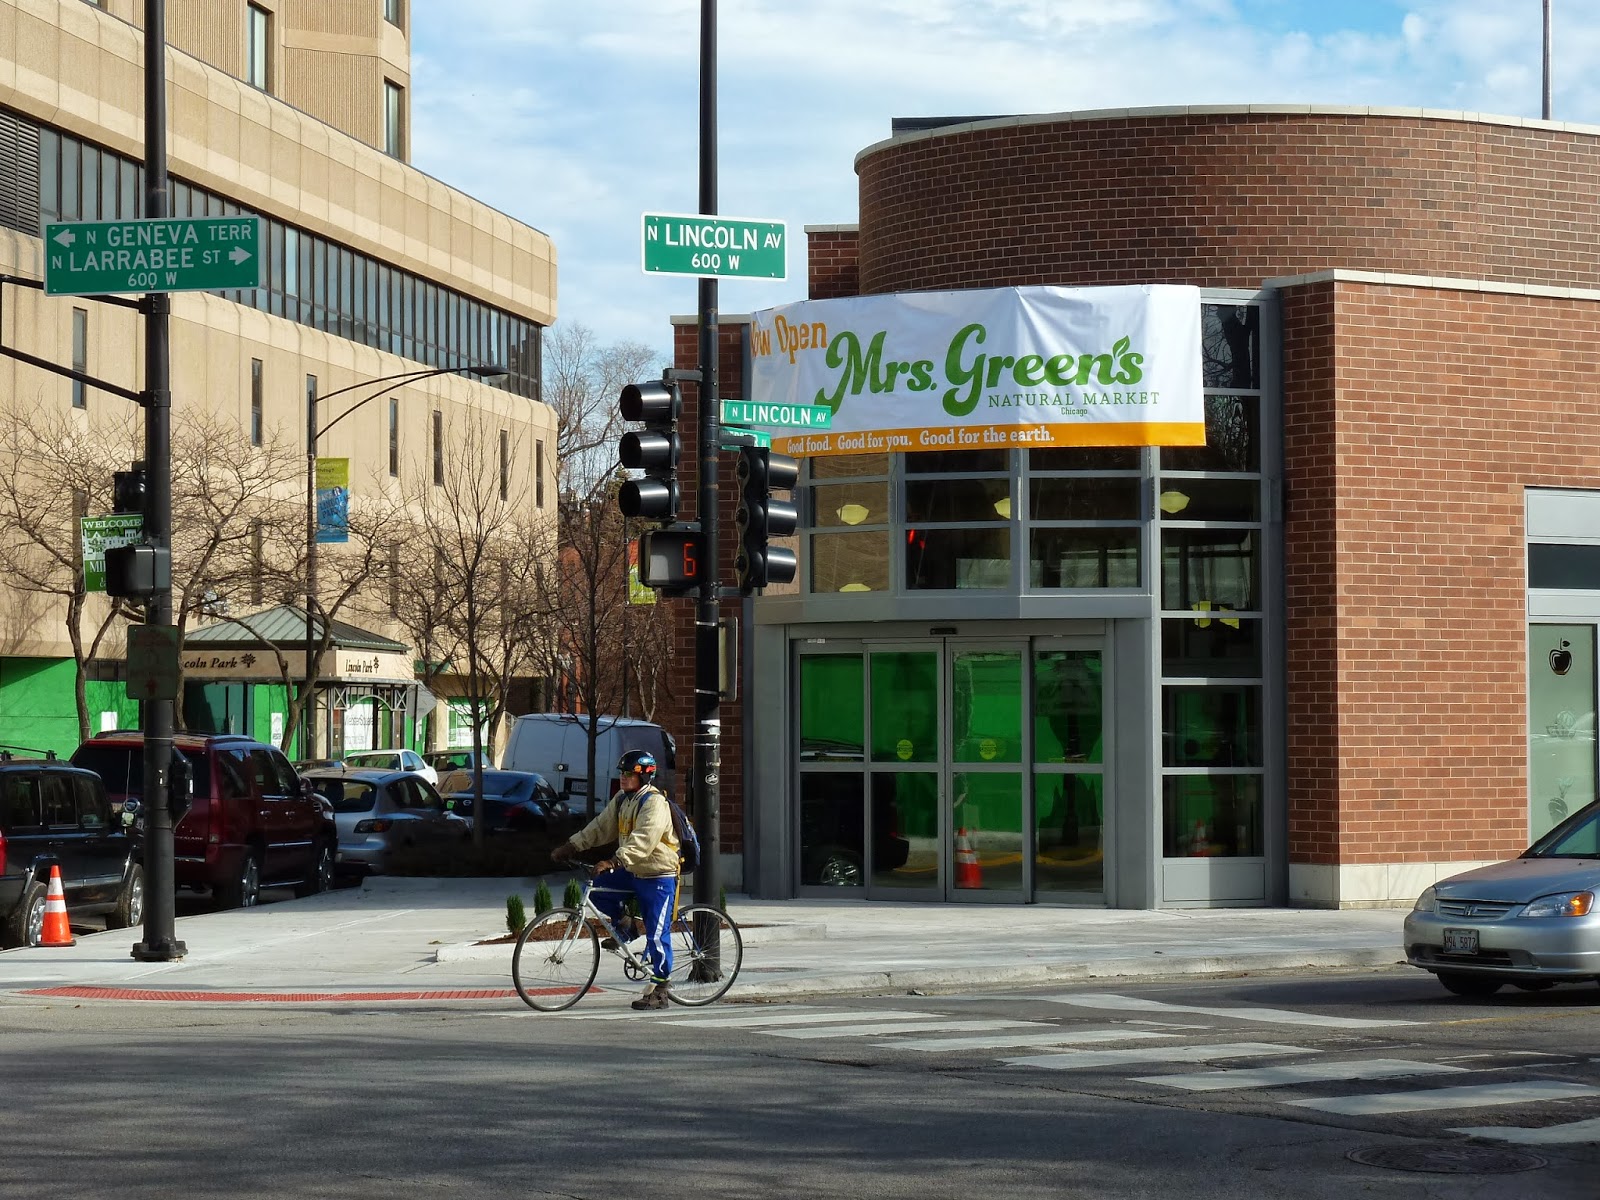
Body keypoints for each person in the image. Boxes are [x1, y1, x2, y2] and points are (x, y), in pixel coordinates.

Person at [550, 750, 680, 1011]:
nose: (623, 778)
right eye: (621, 773)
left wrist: (614, 861)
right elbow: (601, 827)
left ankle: (662, 988)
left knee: (656, 935)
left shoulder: (655, 803)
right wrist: (572, 845)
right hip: (633, 870)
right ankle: (626, 926)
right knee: (598, 889)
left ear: (644, 777)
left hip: (657, 874)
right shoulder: (623, 799)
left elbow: (643, 840)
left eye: (629, 774)